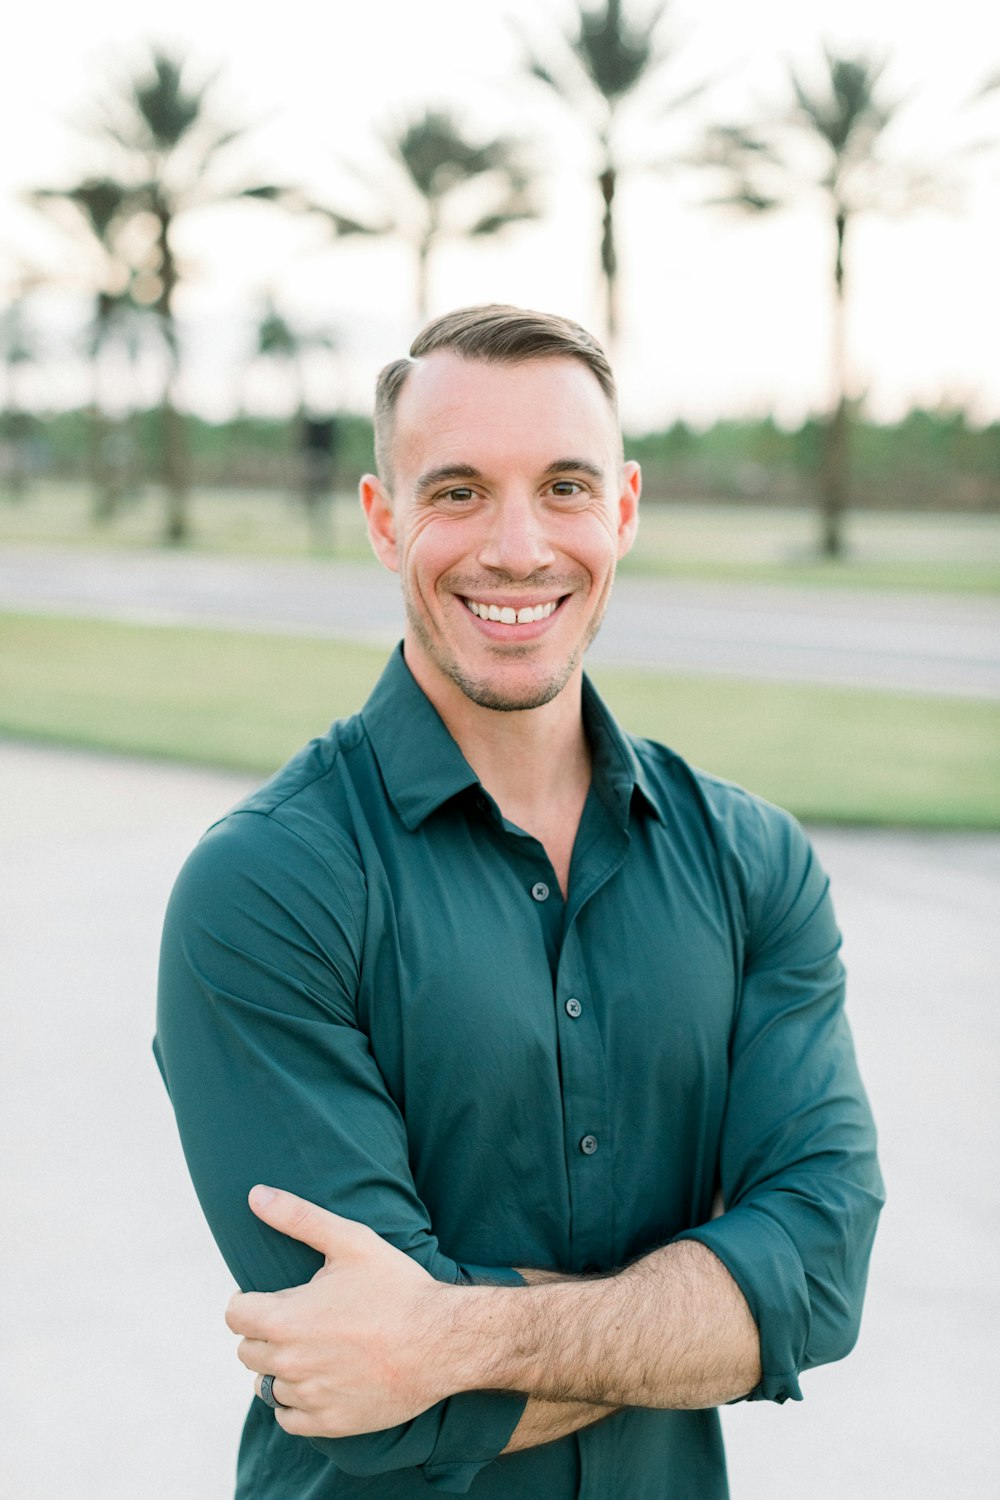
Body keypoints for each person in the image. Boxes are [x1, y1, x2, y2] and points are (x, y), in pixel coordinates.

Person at [155, 304, 883, 1499]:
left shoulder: (754, 864)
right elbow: (371, 1410)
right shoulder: (265, 888)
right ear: (384, 521)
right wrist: (705, 1299)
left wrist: (447, 1336)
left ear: (624, 510)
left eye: (562, 487)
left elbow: (821, 1273)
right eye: (456, 493)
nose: (515, 547)